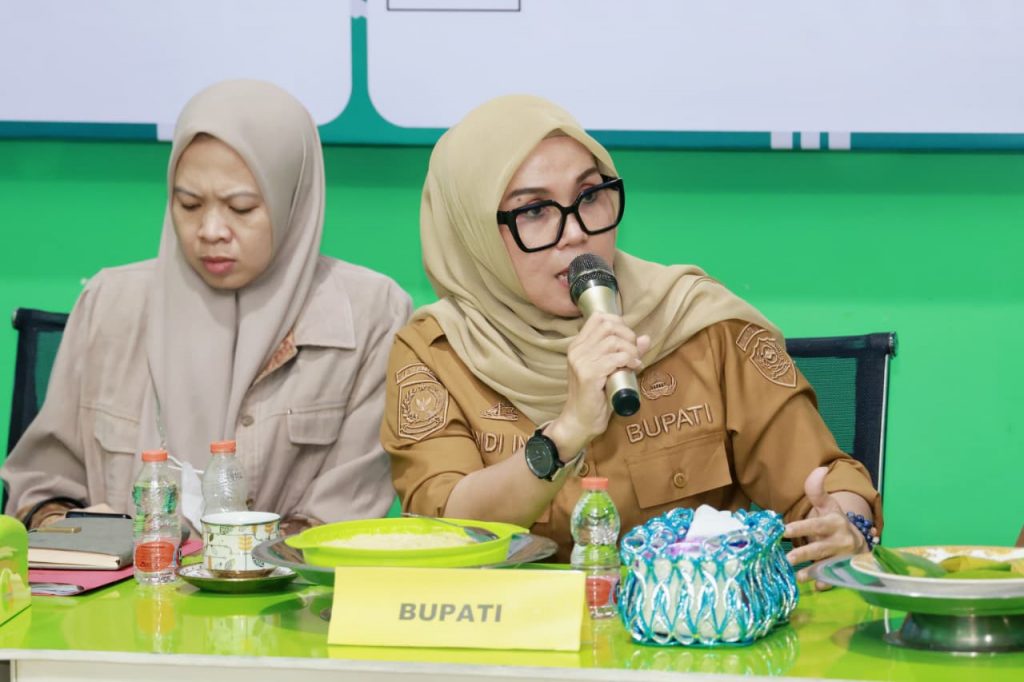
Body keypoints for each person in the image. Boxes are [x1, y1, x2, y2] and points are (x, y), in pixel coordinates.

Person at [382, 95, 881, 582]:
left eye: (589, 196)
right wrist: (564, 435)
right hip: (514, 630)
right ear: (473, 234)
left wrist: (845, 524)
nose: (575, 233)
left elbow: (828, 480)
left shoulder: (700, 322)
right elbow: (441, 530)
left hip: (689, 627)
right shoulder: (436, 352)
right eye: (533, 211)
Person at [2, 80, 411, 534]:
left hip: (289, 581)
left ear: (293, 202)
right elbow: (39, 489)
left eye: (241, 207)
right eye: (189, 204)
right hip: (125, 579)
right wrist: (74, 527)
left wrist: (225, 556)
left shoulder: (371, 315)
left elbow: (339, 524)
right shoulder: (110, 303)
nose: (211, 230)